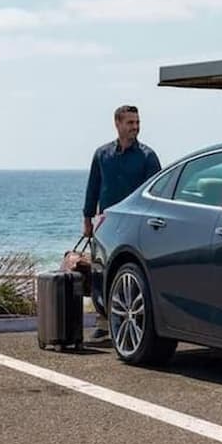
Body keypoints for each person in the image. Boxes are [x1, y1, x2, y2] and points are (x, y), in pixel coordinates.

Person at [82, 105, 161, 344]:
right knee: (99, 272)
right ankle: (103, 321)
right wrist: (87, 219)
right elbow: (93, 187)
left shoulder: (148, 156)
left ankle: (134, 320)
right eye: (130, 123)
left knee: (128, 270)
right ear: (117, 124)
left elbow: (157, 193)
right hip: (106, 224)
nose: (135, 127)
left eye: (137, 123)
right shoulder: (102, 154)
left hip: (134, 224)